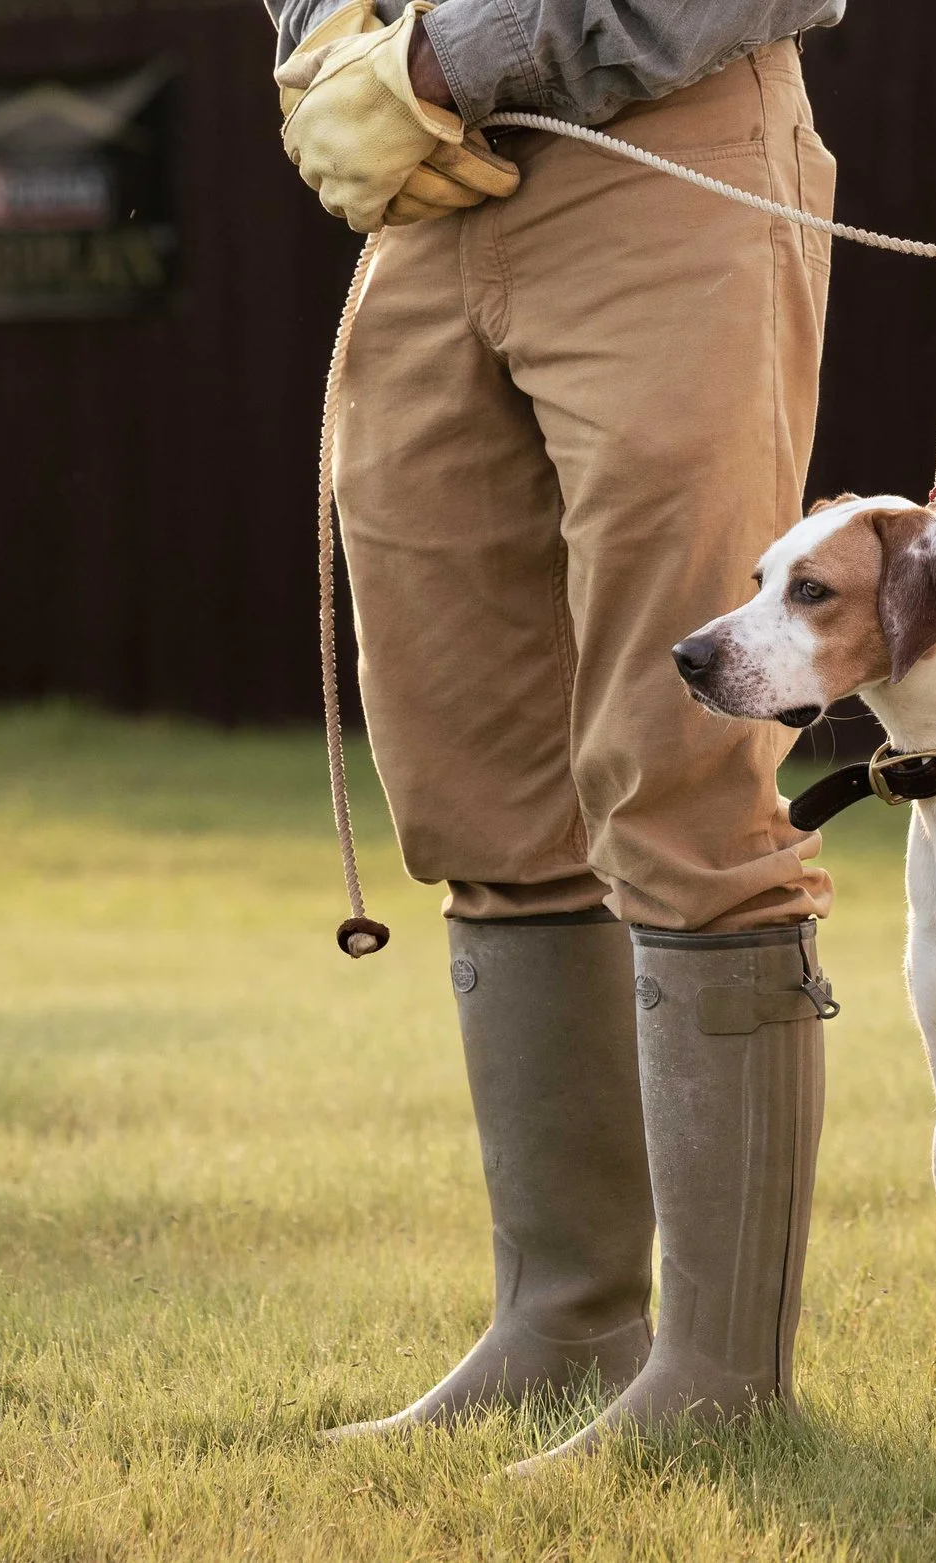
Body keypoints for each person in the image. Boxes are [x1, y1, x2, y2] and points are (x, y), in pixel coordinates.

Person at [263, 0, 847, 1462]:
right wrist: (332, 44)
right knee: (478, 779)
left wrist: (448, 58)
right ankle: (567, 1327)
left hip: (667, 143)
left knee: (686, 755)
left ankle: (722, 1378)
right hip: (423, 197)